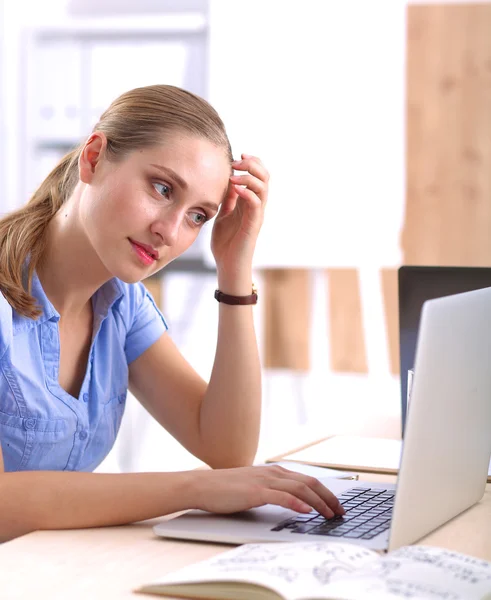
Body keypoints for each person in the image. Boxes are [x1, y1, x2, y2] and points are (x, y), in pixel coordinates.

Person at [0, 84, 344, 542]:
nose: (169, 231)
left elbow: (227, 448)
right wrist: (194, 488)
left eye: (198, 216)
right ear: (94, 157)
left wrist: (235, 268)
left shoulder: (121, 303)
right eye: (162, 189)